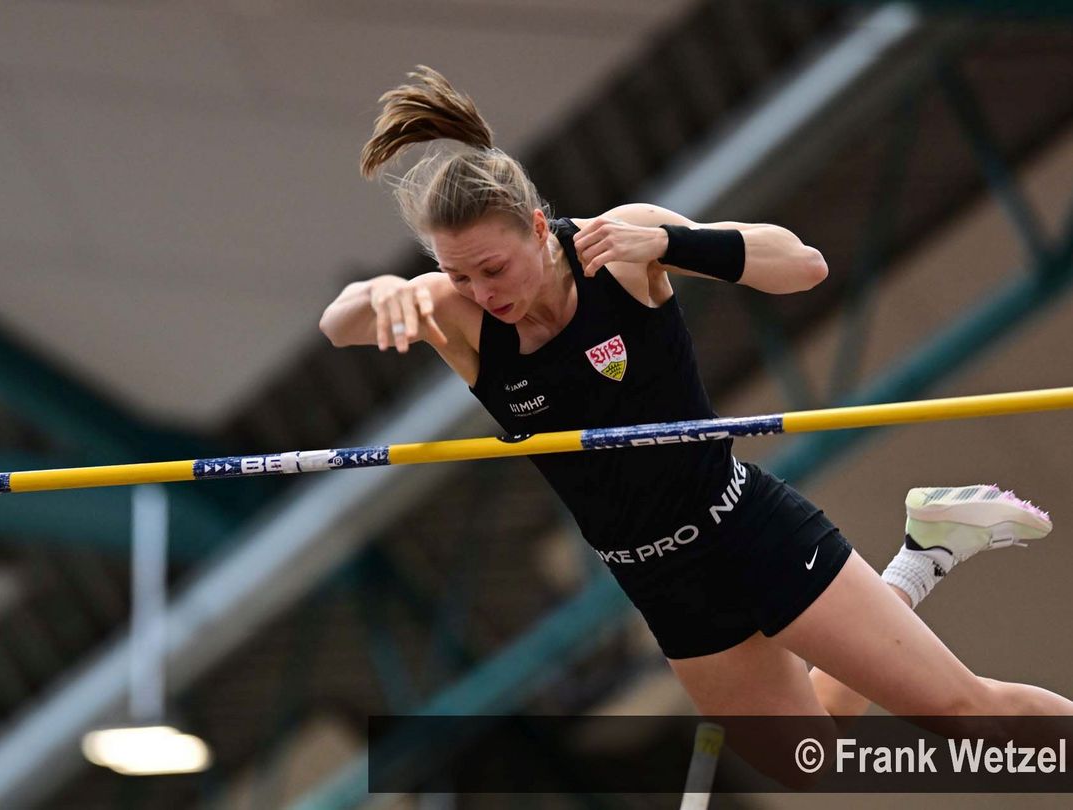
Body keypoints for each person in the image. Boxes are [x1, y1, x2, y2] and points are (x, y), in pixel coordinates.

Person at [319, 66, 1067, 725]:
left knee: (962, 711)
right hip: (657, 579)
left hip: (742, 526)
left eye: (493, 269)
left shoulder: (618, 246)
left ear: (539, 229)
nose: (483, 292)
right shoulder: (455, 315)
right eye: (458, 276)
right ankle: (924, 553)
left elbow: (803, 265)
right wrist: (379, 291)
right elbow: (338, 324)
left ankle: (927, 555)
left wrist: (672, 244)